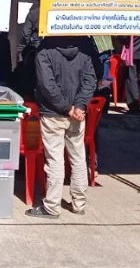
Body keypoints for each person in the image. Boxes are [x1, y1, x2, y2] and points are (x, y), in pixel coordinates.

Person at [28, 36, 98, 219]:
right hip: (75, 114)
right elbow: (90, 80)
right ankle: (79, 203)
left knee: (55, 160)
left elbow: (46, 85)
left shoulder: (44, 50)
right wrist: (79, 106)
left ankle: (52, 206)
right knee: (78, 157)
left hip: (53, 114)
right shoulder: (85, 47)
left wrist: (69, 108)